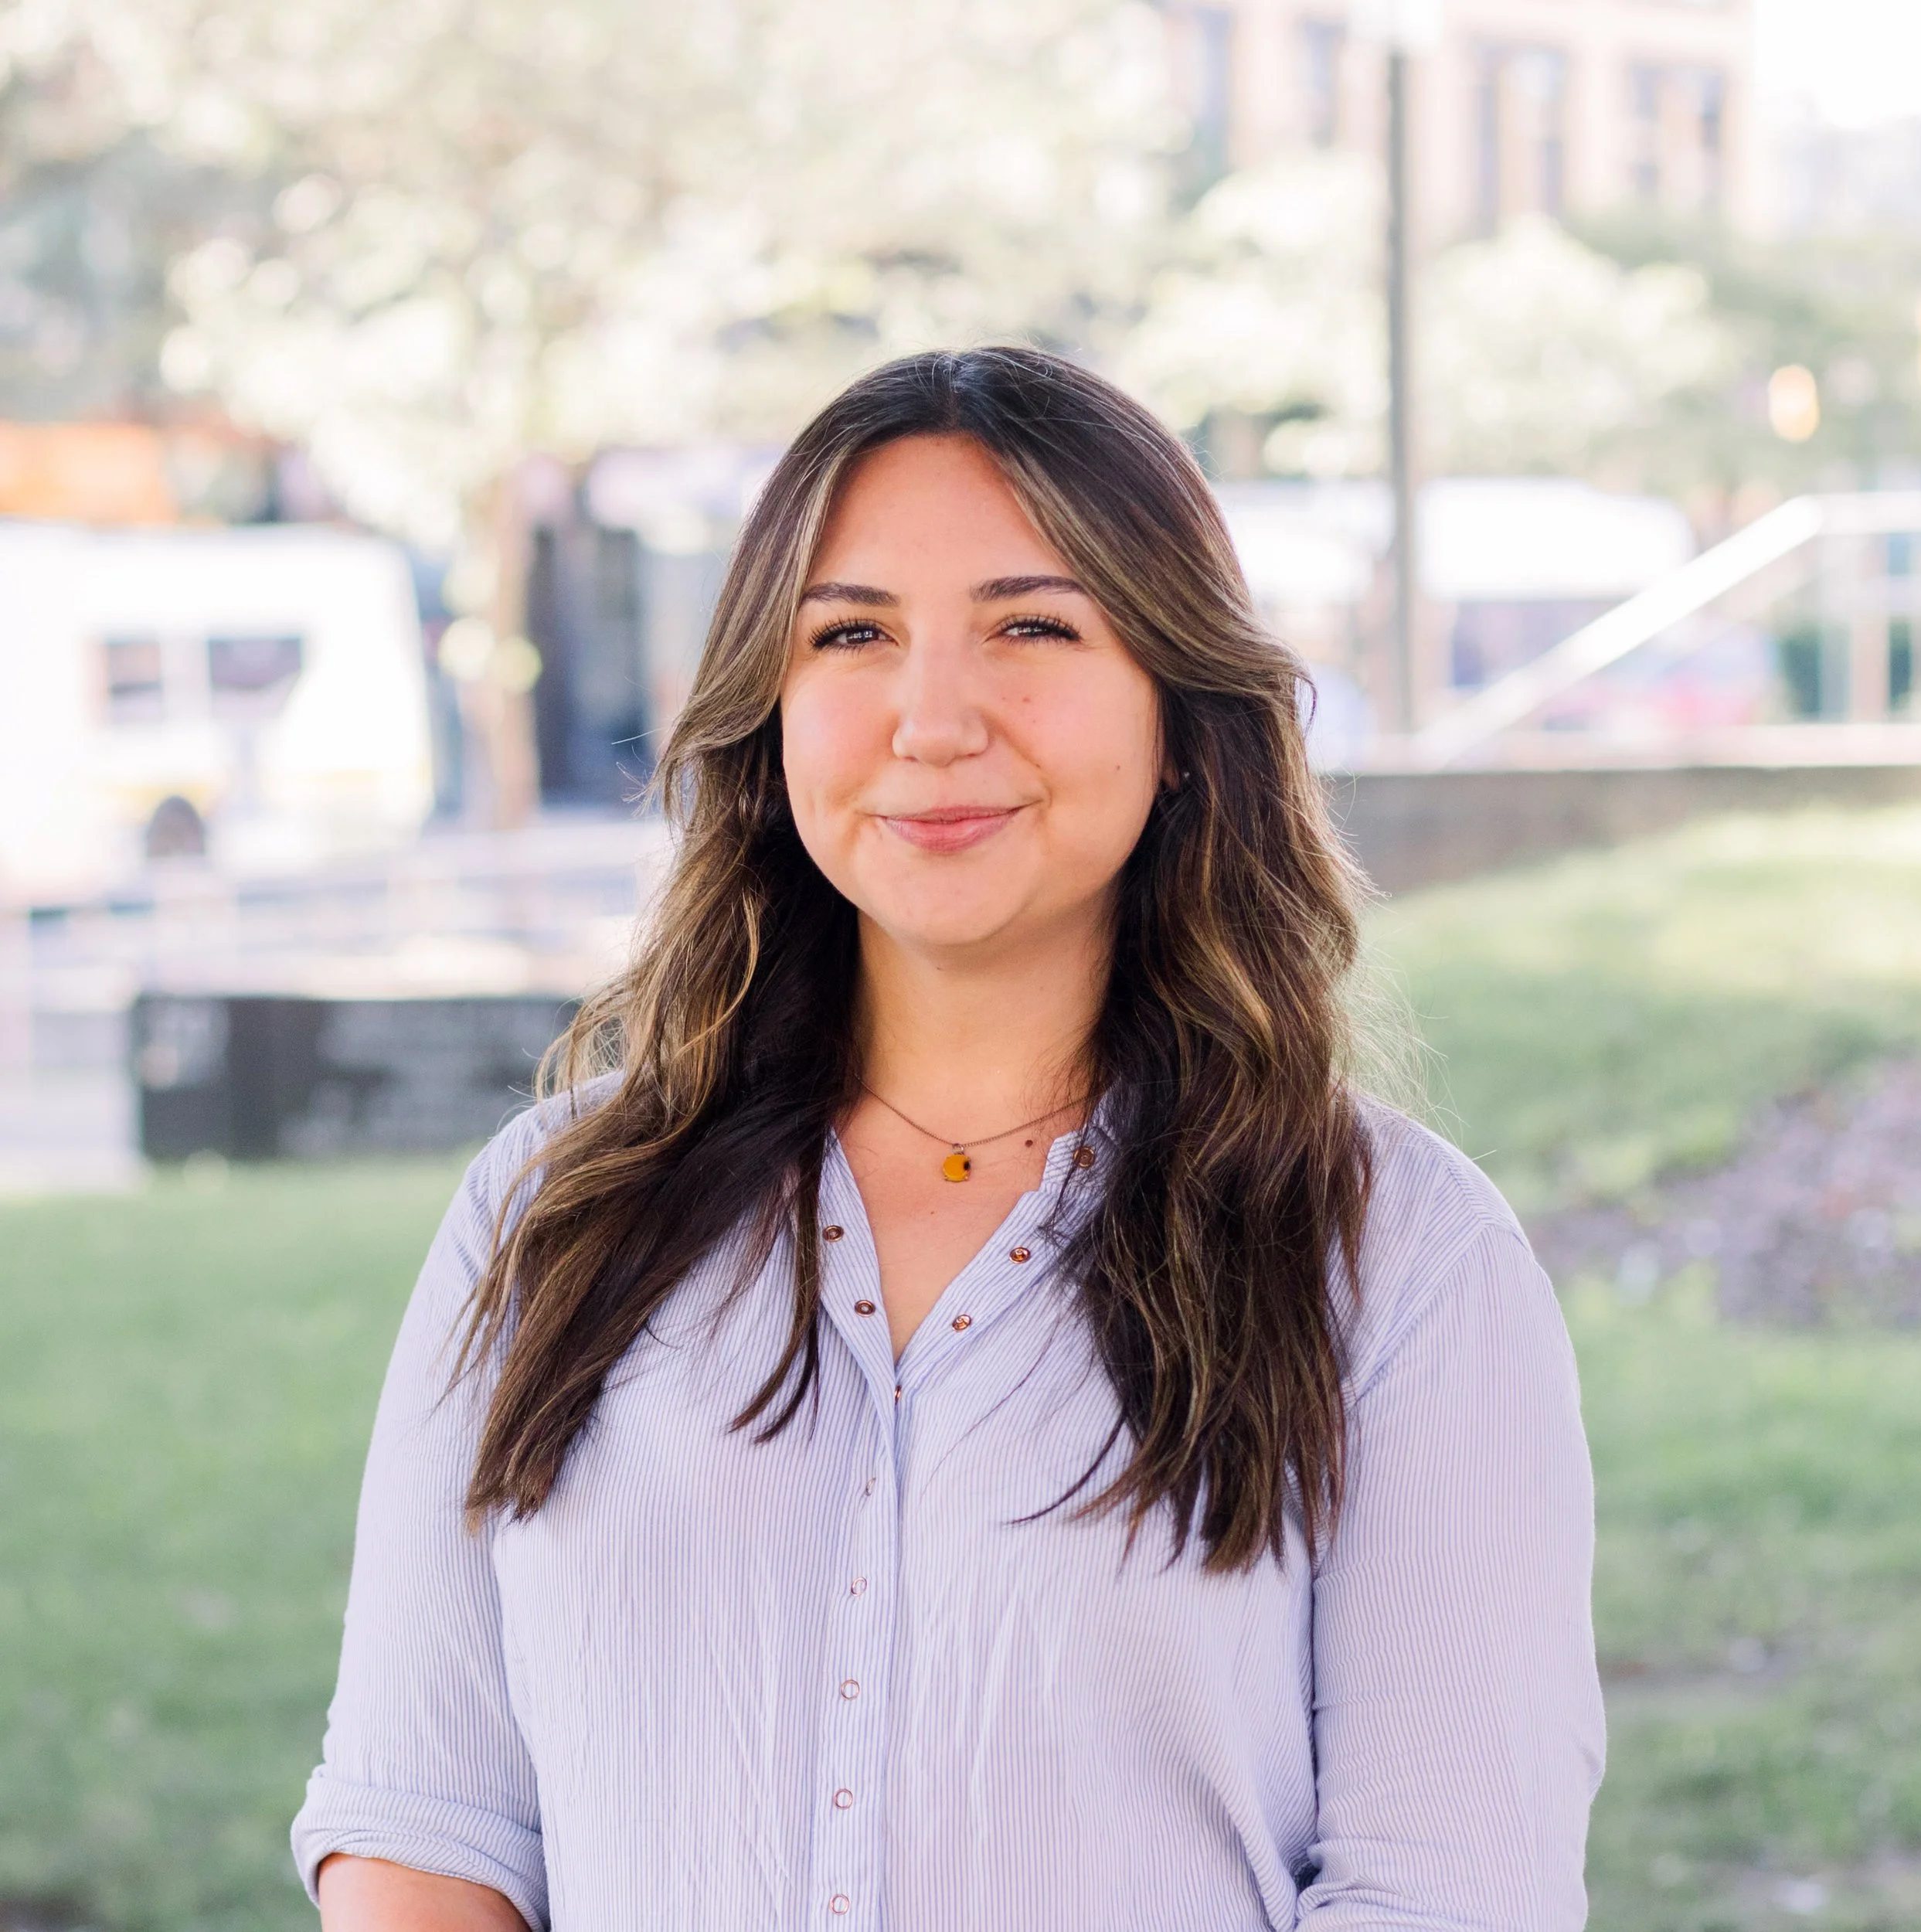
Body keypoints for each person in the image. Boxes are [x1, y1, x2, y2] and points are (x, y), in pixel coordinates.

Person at [295, 347, 1603, 1930]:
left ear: (1180, 712)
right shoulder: (550, 1209)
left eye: (1030, 626)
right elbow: (420, 1823)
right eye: (851, 633)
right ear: (768, 706)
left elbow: (1445, 1890)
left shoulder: (1396, 1260)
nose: (929, 718)